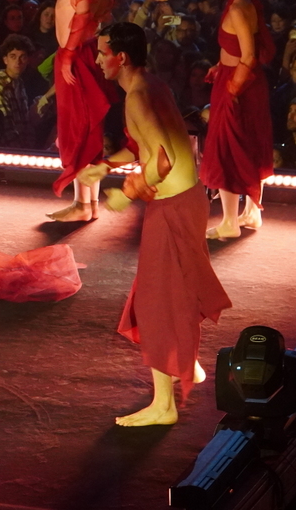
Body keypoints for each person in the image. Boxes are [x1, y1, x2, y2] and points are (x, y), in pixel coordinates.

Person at [78, 22, 231, 426]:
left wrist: (124, 193)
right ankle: (186, 362)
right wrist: (104, 166)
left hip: (174, 206)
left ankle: (164, 406)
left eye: (101, 53)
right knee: (170, 291)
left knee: (157, 301)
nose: (96, 60)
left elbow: (162, 161)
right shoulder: (150, 85)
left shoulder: (139, 96)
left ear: (120, 57)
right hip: (185, 201)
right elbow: (145, 143)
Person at [199, 0, 275, 240]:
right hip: (238, 81)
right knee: (249, 142)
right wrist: (220, 66)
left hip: (239, 87)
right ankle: (251, 213)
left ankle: (230, 221)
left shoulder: (239, 8)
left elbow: (249, 56)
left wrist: (231, 89)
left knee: (225, 148)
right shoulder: (243, 1)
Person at [48, 0, 115, 222]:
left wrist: (68, 54)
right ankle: (87, 203)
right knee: (87, 126)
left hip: (77, 52)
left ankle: (81, 204)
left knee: (78, 127)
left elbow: (84, 10)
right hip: (87, 48)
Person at [0, 34, 38, 148]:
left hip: (21, 149)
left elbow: (25, 122)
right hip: (5, 150)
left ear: (28, 60)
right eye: (13, 56)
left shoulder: (19, 83)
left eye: (22, 57)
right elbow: (6, 127)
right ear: (5, 59)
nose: (18, 62)